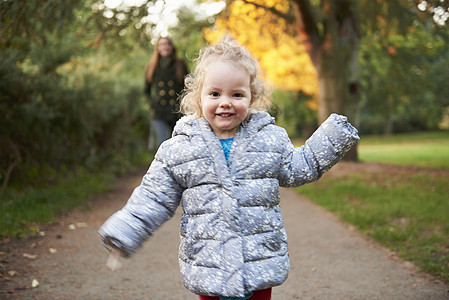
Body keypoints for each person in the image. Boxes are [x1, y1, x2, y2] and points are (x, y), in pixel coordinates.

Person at [99, 37, 360, 300]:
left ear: (252, 97)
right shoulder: (180, 148)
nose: (225, 102)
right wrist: (126, 230)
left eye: (236, 94)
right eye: (215, 93)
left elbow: (298, 167)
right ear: (199, 97)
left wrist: (333, 137)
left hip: (256, 258)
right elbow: (154, 197)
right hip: (208, 261)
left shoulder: (269, 138)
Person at [144, 36, 188, 150]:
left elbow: (188, 87)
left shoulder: (180, 65)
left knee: (178, 145)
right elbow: (146, 90)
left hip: (177, 111)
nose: (165, 47)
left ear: (172, 47)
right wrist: (153, 104)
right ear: (158, 48)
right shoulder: (151, 66)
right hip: (160, 112)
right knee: (163, 146)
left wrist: (185, 105)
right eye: (161, 44)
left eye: (167, 44)